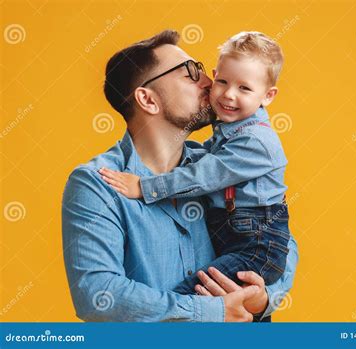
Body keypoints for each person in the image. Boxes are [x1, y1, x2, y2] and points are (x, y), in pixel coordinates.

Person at [62, 29, 298, 322]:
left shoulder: (218, 161)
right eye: (189, 73)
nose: (210, 83)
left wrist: (262, 300)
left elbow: (280, 243)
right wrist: (212, 311)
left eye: (201, 69)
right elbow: (96, 295)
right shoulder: (98, 184)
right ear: (148, 100)